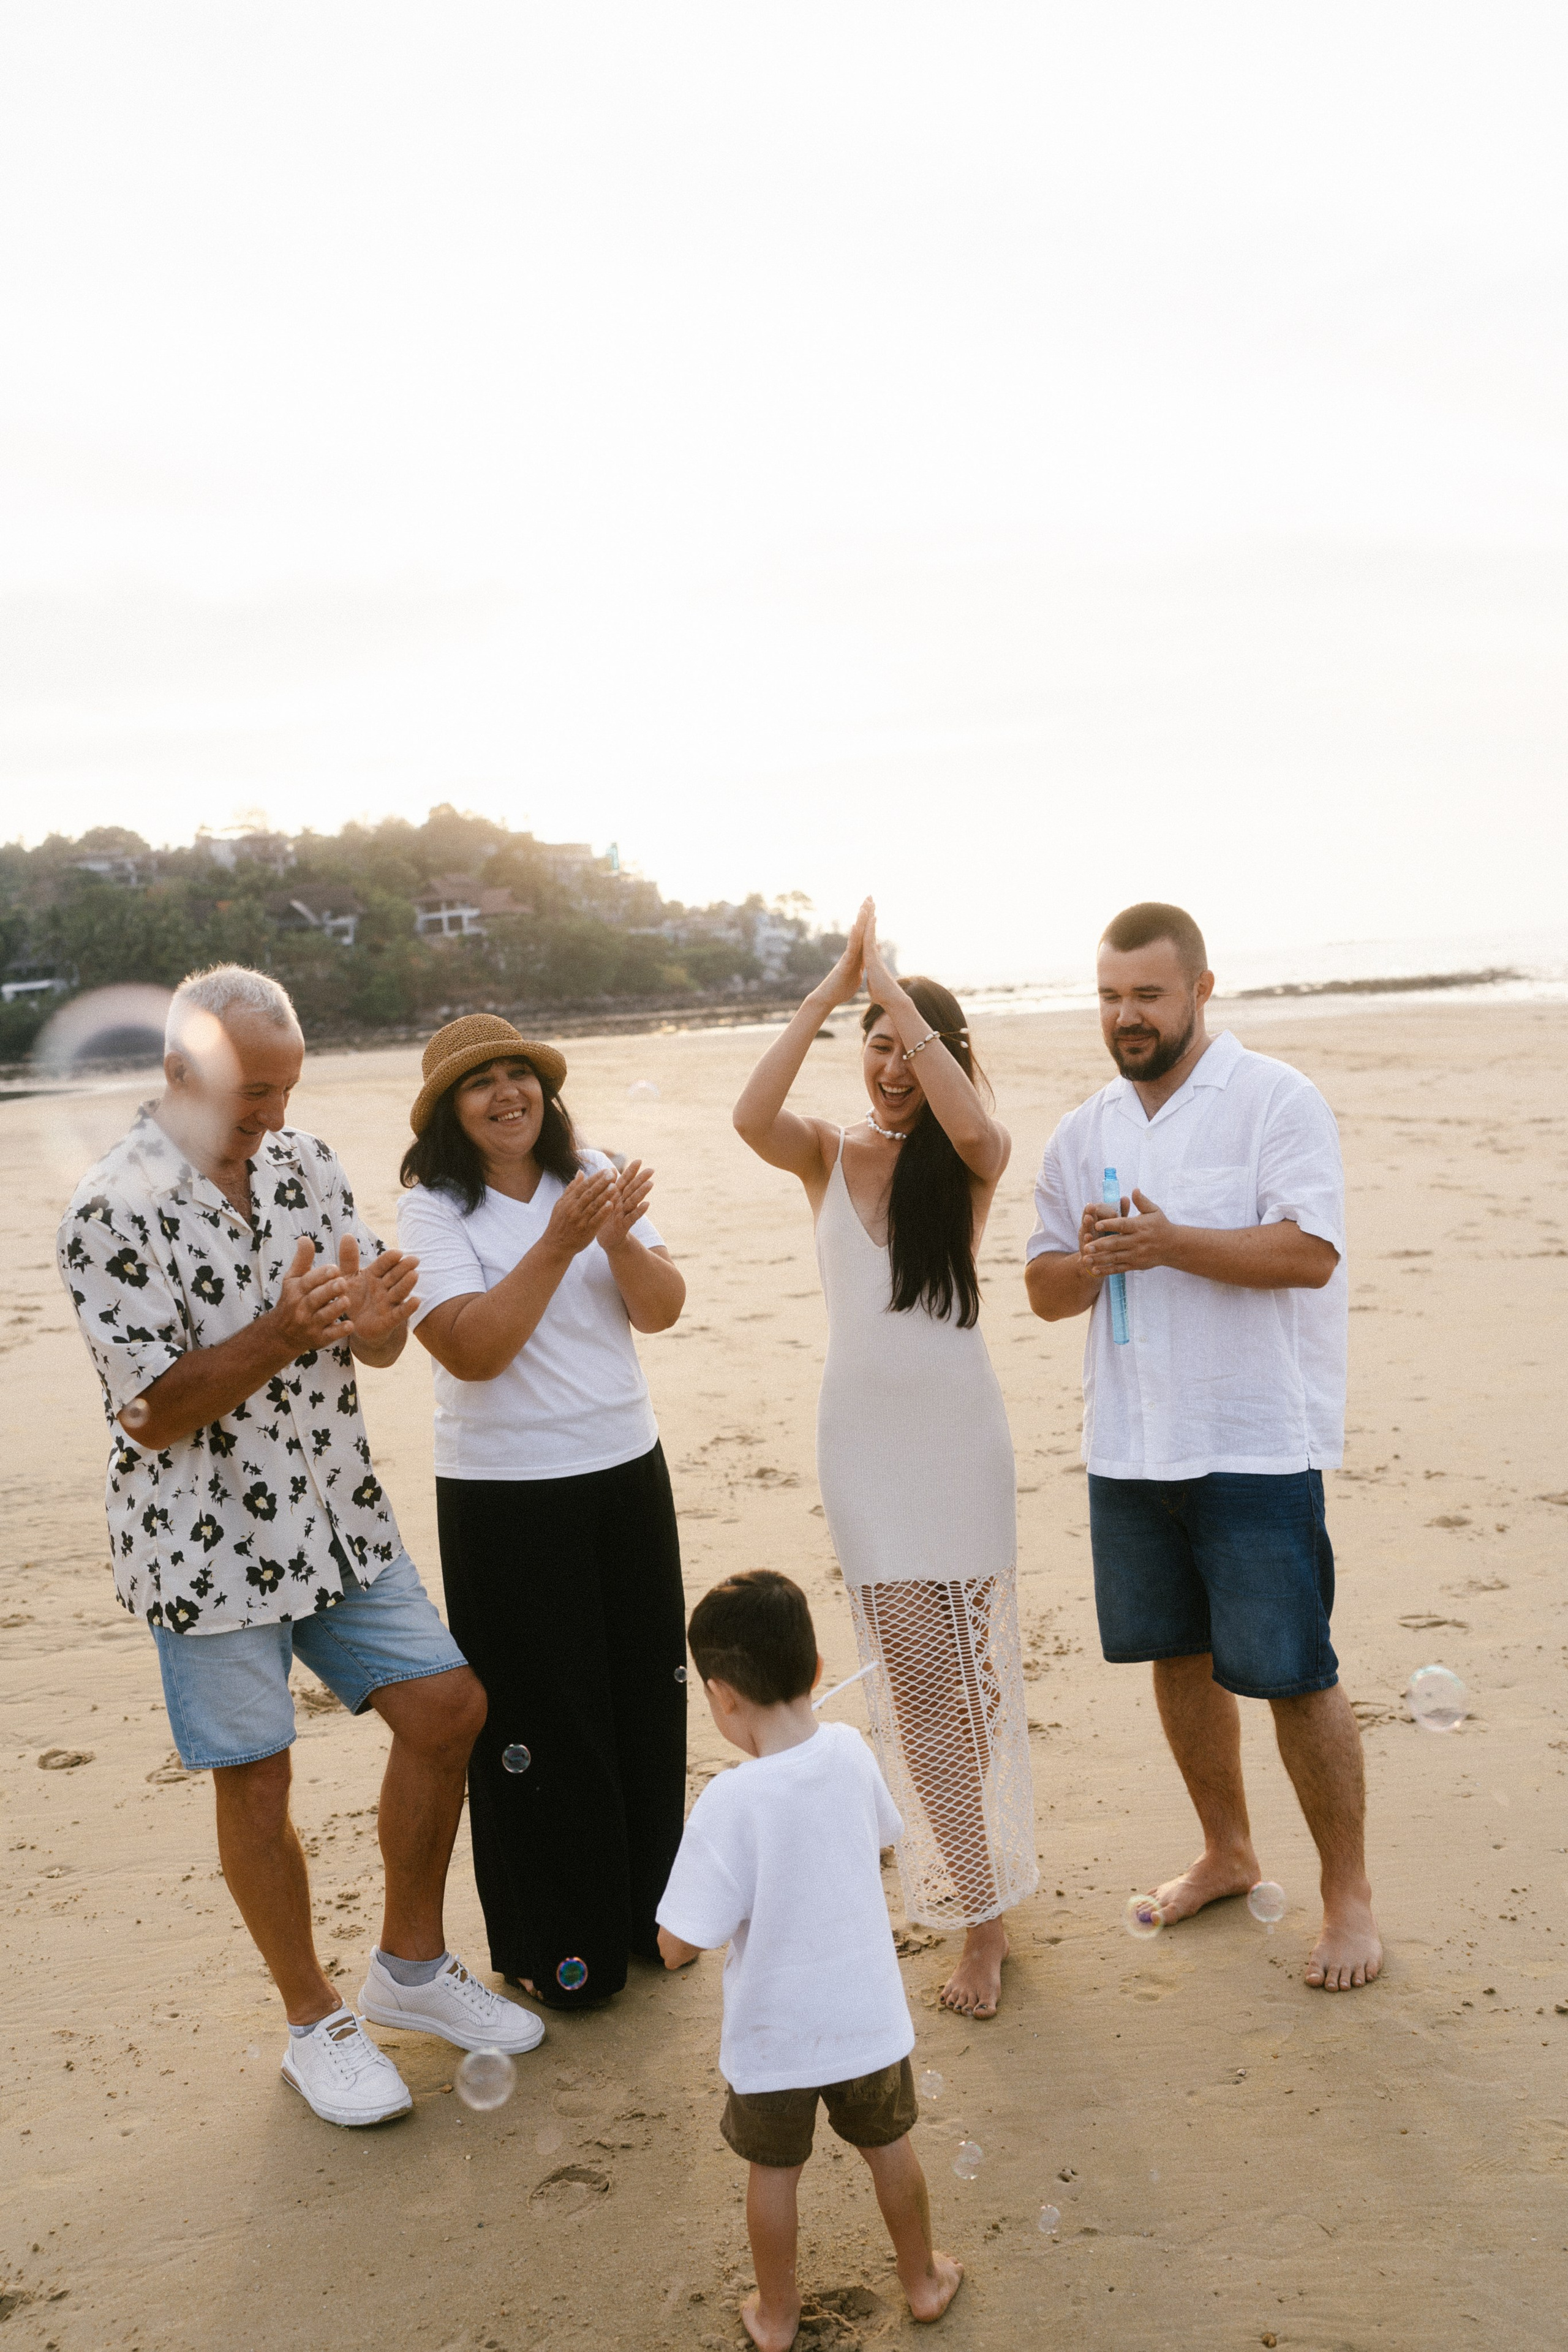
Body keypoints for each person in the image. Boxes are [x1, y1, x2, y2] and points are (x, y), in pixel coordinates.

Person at [55, 965, 541, 2133]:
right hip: (205, 1544)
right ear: (181, 1073)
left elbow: (364, 1346)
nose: (273, 1113)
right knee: (256, 1773)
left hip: (337, 1516)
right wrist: (279, 1332)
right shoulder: (108, 1212)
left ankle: (410, 1970)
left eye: (285, 1087)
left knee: (448, 1708)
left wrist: (373, 1323)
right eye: (253, 1092)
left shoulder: (307, 1165)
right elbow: (151, 1413)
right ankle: (313, 2018)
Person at [1025, 902, 1381, 1991]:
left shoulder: (1276, 1098)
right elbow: (1040, 1287)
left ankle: (1348, 1898)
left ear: (1199, 990)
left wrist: (1170, 1240)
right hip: (1131, 1445)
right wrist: (1089, 1263)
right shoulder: (1083, 1128)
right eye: (1109, 997)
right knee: (1176, 1659)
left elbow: (1311, 1252)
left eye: (1147, 994)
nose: (1125, 1016)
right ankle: (1227, 1853)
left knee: (1292, 1672)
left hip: (1255, 1442)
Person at [732, 900, 1035, 2021]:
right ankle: (983, 1922)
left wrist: (900, 996)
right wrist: (834, 990)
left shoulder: (964, 1162)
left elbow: (984, 1134)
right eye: (875, 1045)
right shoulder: (822, 1149)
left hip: (959, 1438)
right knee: (919, 1684)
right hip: (862, 1445)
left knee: (977, 1679)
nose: (891, 1066)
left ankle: (981, 1864)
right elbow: (747, 1111)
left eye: (909, 1048)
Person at [396, 1014, 688, 2011]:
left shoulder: (592, 1169)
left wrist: (614, 1238)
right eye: (482, 1084)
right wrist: (563, 1246)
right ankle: (558, 1943)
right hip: (505, 1495)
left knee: (644, 1697)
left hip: (623, 1466)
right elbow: (473, 1348)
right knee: (541, 1722)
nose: (509, 1094)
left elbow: (660, 1308)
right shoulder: (432, 1210)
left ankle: (654, 1917)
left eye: (522, 1075)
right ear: (449, 1112)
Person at [657, 1570, 963, 2352]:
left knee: (774, 2171)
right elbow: (883, 1836)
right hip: (865, 2018)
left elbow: (676, 1945)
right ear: (818, 1669)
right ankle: (923, 2281)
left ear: (721, 1695)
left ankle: (779, 2313)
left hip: (774, 2037)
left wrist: (676, 1925)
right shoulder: (852, 1751)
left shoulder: (730, 1801)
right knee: (888, 2147)